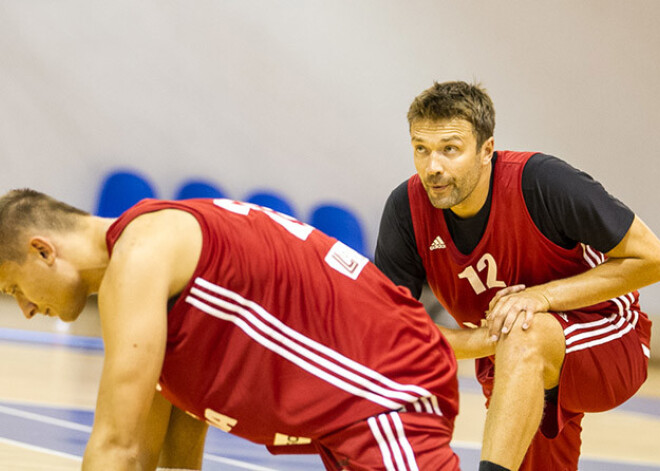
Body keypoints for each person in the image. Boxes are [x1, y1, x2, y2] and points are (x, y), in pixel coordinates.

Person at [0, 189, 461, 471]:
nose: (22, 308)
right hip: (357, 408)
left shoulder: (139, 258)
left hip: (385, 394)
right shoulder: (152, 253)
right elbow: (150, 446)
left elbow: (115, 446)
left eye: (14, 285)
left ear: (43, 250)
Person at [375, 80, 660, 471]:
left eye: (450, 150)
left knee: (523, 332)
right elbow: (392, 333)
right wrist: (481, 339)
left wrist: (540, 297)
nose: (433, 166)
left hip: (608, 338)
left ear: (486, 150)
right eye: (421, 149)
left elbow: (652, 258)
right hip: (510, 354)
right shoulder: (405, 210)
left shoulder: (543, 182)